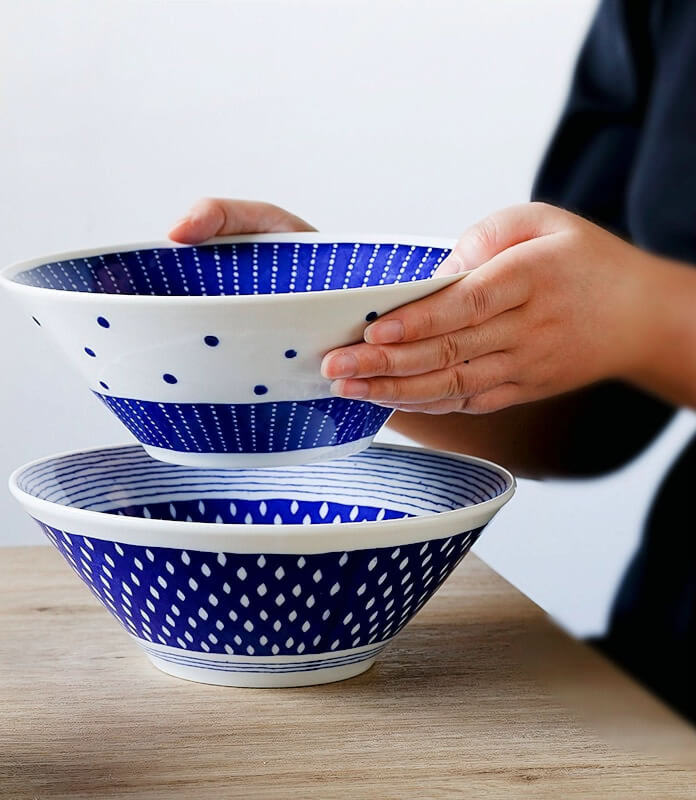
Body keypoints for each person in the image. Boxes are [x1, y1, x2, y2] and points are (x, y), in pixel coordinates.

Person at [167, 0, 696, 722]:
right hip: (666, 661)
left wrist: (642, 312)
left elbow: (625, 324)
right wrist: (333, 333)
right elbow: (593, 418)